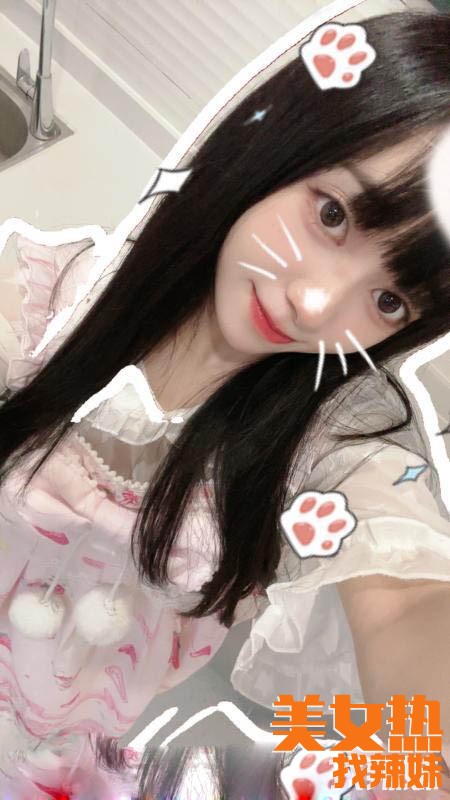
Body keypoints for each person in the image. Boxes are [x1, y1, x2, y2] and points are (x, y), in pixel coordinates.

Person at [0, 8, 449, 793]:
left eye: (389, 301)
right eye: (334, 214)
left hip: (61, 759)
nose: (316, 303)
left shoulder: (330, 454)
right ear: (278, 147)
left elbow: (405, 601)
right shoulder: (37, 307)